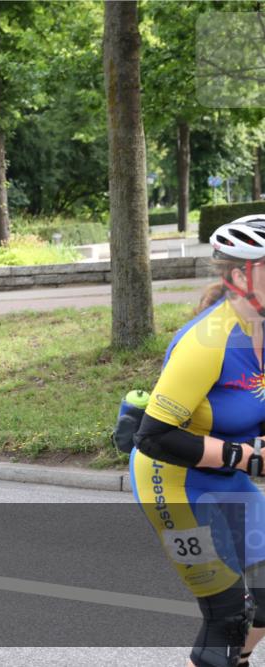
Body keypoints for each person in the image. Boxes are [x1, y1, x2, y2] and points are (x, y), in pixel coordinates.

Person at [131, 215, 265, 667]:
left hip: (223, 476)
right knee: (227, 616)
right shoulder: (207, 342)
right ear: (241, 277)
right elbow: (153, 436)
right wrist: (246, 457)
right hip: (170, 482)